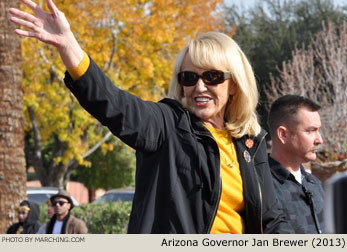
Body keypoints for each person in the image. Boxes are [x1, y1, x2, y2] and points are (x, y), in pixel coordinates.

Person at [9, 0, 292, 234]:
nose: (200, 86)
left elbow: (272, 219)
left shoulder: (250, 144)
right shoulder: (168, 124)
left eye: (213, 76)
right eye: (190, 77)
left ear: (234, 85)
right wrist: (69, 47)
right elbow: (115, 104)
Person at [267, 94, 325, 233]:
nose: (319, 140)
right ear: (283, 134)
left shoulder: (314, 184)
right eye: (310, 131)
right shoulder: (261, 186)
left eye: (318, 130)